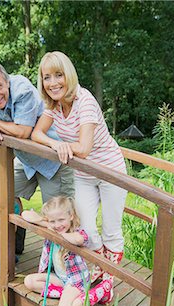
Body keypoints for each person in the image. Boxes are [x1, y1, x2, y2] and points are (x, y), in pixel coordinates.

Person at [31, 51, 127, 287]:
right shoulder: (53, 105)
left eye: (58, 75)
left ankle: (108, 279)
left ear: (69, 75)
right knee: (86, 228)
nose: (53, 83)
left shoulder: (84, 100)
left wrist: (66, 146)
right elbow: (36, 133)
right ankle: (97, 267)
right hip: (84, 174)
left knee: (111, 231)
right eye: (47, 77)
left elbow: (84, 148)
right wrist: (56, 143)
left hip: (110, 171)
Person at [0, 61, 74, 204]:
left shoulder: (22, 90)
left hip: (54, 159)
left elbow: (22, 131)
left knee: (56, 216)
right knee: (0, 197)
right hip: (26, 160)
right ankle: (17, 226)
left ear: (7, 82)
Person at [23, 196, 113, 306]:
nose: (57, 225)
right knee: (29, 281)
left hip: (76, 280)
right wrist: (45, 223)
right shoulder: (50, 226)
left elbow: (78, 239)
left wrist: (57, 232)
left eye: (61, 220)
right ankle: (65, 294)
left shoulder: (77, 232)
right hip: (60, 278)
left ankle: (102, 289)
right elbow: (25, 214)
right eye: (53, 221)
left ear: (71, 216)